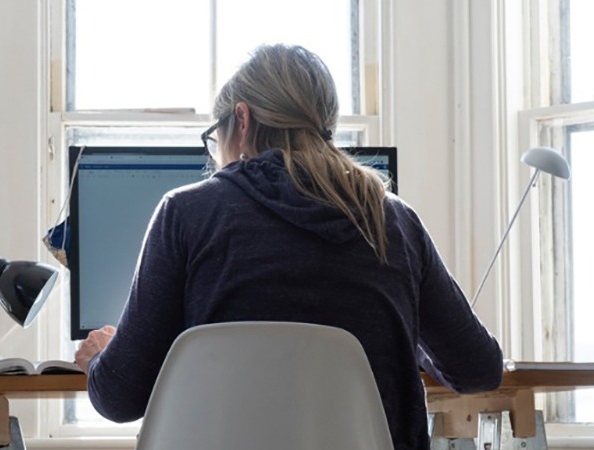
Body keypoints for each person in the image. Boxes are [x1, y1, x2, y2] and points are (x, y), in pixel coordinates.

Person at [74, 44, 503, 450]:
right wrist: (400, 332)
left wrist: (99, 359)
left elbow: (120, 398)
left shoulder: (185, 214)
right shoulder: (394, 221)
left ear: (241, 120)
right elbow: (478, 369)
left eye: (216, 134)